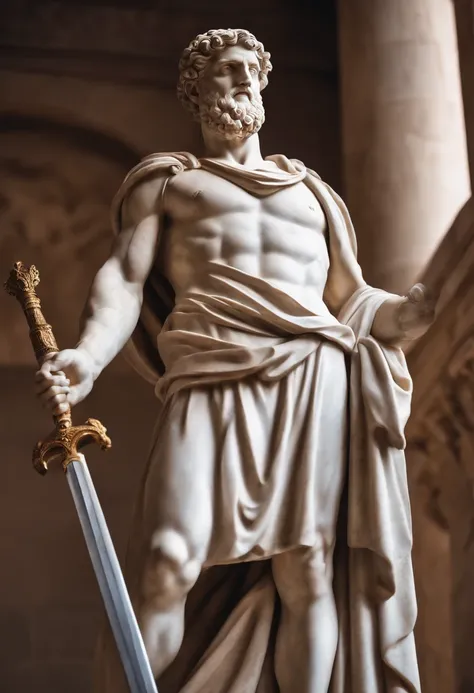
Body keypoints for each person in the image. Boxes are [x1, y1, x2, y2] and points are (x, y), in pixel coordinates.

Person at [35, 28, 433, 693]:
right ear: (196, 91)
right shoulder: (168, 184)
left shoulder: (313, 194)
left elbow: (353, 298)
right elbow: (126, 280)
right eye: (226, 71)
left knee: (306, 571)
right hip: (209, 374)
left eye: (252, 70)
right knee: (166, 559)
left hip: (311, 376)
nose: (243, 80)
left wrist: (413, 311)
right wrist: (89, 357)